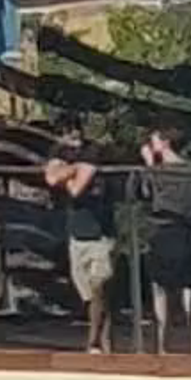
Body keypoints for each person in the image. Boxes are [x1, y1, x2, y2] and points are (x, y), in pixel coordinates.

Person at [132, 120, 191, 354]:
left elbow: (150, 194)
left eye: (155, 140)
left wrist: (149, 165)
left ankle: (163, 346)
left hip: (167, 231)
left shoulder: (160, 171)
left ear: (165, 143)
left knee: (163, 289)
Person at [42, 139, 120, 348]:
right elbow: (52, 177)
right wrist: (72, 169)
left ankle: (96, 341)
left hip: (101, 238)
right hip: (78, 237)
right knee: (89, 297)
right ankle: (103, 340)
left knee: (99, 288)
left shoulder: (102, 175)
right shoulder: (68, 167)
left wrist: (76, 173)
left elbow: (76, 189)